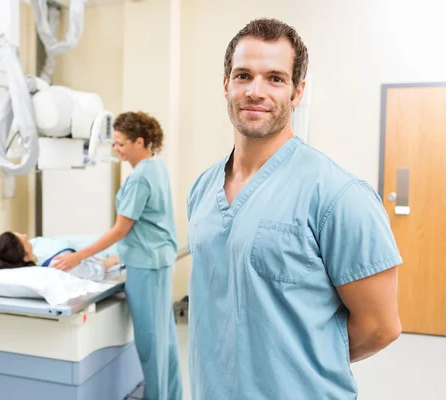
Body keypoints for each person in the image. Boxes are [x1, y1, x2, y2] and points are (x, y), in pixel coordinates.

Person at [186, 18, 402, 399]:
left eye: (275, 78)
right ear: (226, 85)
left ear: (297, 92)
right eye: (243, 76)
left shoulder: (338, 194)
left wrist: (295, 362)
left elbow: (380, 328)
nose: (256, 91)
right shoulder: (203, 188)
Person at [52, 111, 183, 400]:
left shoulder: (139, 179)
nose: (116, 149)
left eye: (121, 143)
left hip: (146, 266)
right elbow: (149, 224)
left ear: (140, 141)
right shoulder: (156, 167)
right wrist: (115, 260)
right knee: (165, 339)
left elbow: (121, 229)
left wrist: (78, 257)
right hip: (157, 260)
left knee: (150, 342)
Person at [0, 231, 121, 281]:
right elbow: (98, 270)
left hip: (90, 246)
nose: (25, 235)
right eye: (24, 240)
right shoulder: (58, 264)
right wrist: (114, 259)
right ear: (25, 257)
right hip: (106, 254)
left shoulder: (33, 248)